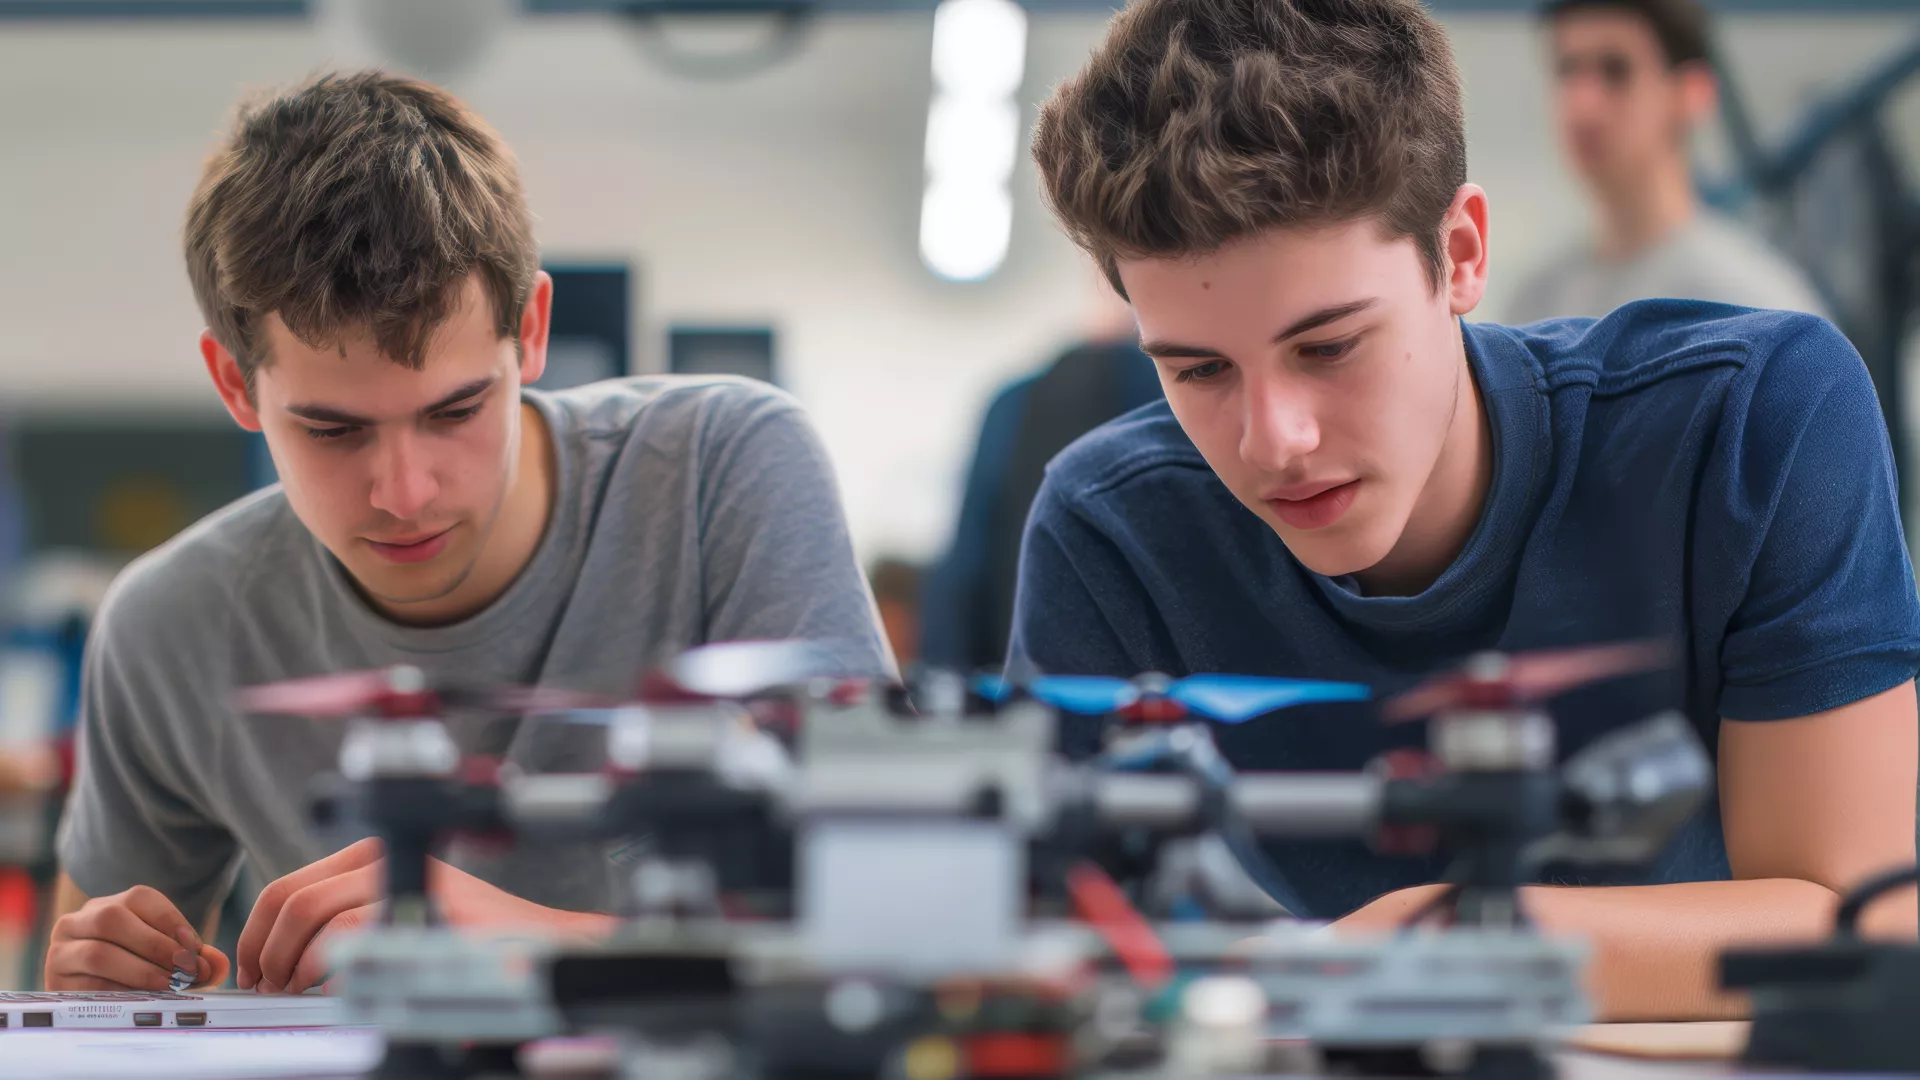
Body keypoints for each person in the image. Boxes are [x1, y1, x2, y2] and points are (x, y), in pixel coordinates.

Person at [1018, 0, 1918, 1021]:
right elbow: (1055, 962)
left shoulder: (1755, 419)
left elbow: (1866, 934)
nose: (1276, 441)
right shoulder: (1111, 534)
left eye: (1329, 347)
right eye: (1199, 370)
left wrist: (1443, 940)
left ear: (1464, 252)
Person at [46, 72, 892, 996]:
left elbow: (894, 916)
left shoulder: (719, 472)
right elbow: (103, 993)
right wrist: (104, 988)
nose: (405, 493)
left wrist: (527, 949)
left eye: (455, 410)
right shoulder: (169, 626)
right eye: (334, 430)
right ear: (236, 386)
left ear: (529, 330)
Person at [1506, 0, 1826, 322]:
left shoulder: (1751, 304)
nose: (1584, 103)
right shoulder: (1536, 302)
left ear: (1692, 92)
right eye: (1567, 69)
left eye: (1616, 70)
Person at [919, 287, 1161, 672]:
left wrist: (947, 685)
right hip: (1160, 696)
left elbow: (965, 567)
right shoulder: (1171, 400)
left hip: (1017, 683)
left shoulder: (1012, 401)